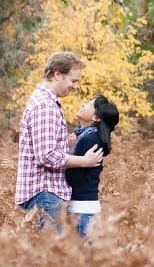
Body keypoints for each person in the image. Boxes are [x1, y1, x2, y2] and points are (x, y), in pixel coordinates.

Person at [15, 51, 104, 230]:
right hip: (46, 193)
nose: (75, 86)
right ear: (57, 74)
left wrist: (69, 149)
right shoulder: (44, 106)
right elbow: (46, 156)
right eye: (73, 80)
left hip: (48, 195)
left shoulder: (48, 103)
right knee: (58, 256)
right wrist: (84, 161)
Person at [66, 94, 120, 236]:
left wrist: (71, 152)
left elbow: (72, 178)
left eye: (89, 105)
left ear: (95, 118)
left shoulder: (88, 138)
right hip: (87, 210)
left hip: (82, 211)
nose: (83, 104)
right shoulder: (90, 136)